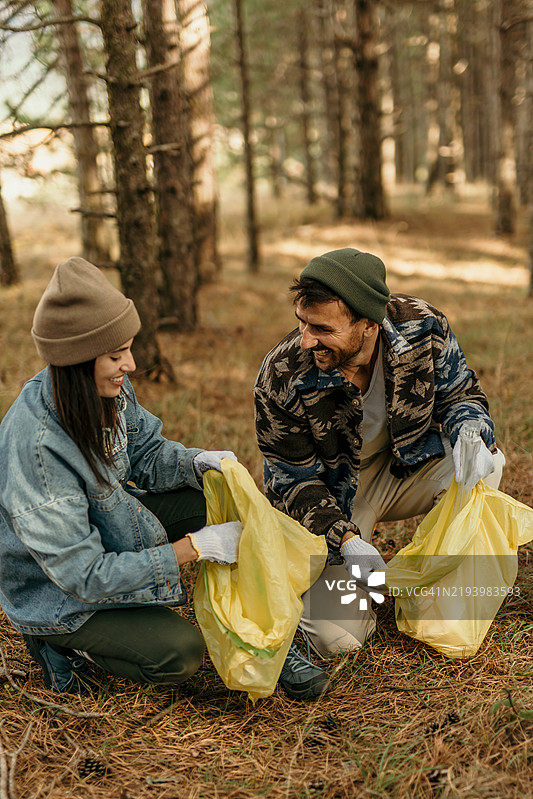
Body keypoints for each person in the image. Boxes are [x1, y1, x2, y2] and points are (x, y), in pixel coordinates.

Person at [0, 257, 326, 701]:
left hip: (107, 523)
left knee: (214, 499)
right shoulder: (37, 449)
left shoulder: (105, 388)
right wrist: (192, 549)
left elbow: (146, 452)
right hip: (58, 590)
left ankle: (267, 636)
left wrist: (198, 463)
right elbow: (84, 576)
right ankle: (54, 640)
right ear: (76, 361)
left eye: (128, 348)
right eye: (116, 355)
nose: (130, 364)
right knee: (177, 656)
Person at [254, 248, 505, 658]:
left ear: (369, 325)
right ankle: (346, 591)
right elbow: (291, 479)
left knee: (488, 463)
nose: (306, 339)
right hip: (334, 495)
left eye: (321, 328)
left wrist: (470, 429)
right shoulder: (282, 375)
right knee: (339, 640)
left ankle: (439, 589)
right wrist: (346, 538)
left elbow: (461, 394)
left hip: (406, 466)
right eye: (301, 323)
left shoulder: (424, 328)